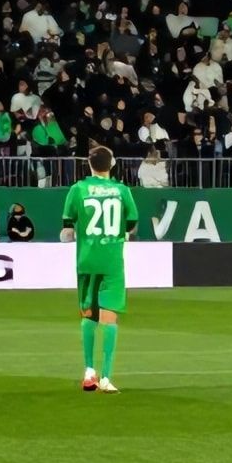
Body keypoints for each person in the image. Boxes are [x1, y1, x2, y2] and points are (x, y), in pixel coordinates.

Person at [63, 145, 139, 394]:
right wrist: (121, 234)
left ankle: (88, 371)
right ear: (112, 164)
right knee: (109, 318)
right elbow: (132, 223)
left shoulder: (78, 189)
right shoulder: (122, 190)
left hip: (87, 260)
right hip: (111, 260)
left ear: (89, 163)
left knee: (88, 315)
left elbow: (67, 227)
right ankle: (105, 377)